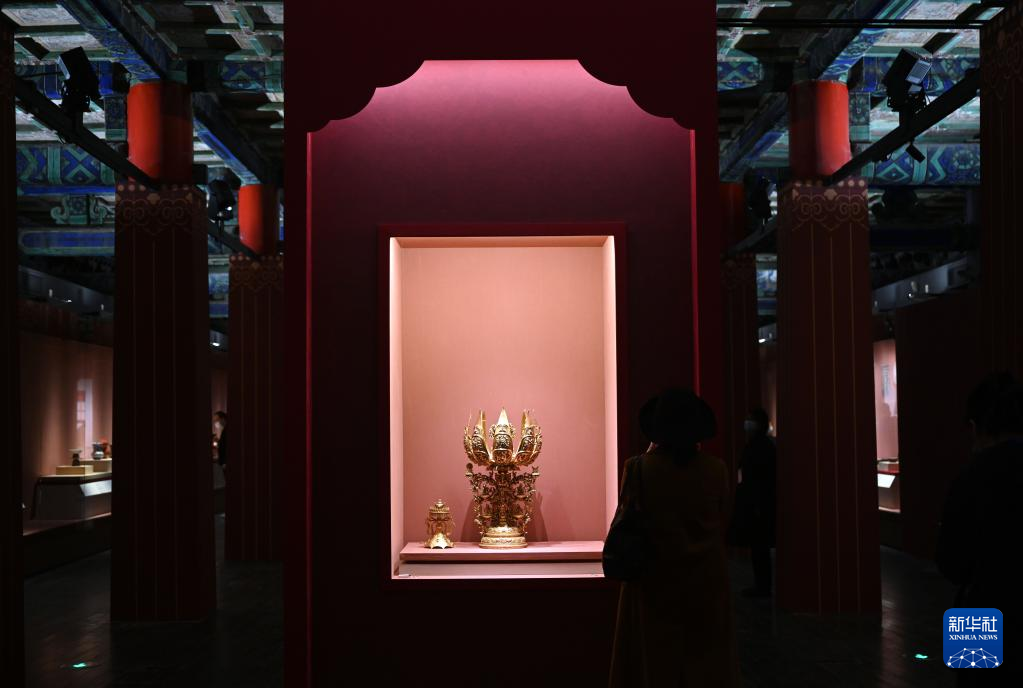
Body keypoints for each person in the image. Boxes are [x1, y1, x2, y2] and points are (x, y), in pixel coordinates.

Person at [609, 388, 739, 688]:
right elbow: (723, 518)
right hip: (706, 581)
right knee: (706, 663)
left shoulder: (639, 468)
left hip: (655, 581)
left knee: (654, 663)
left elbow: (628, 515)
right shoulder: (716, 469)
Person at [936, 373, 1023, 687]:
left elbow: (952, 564)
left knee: (975, 679)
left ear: (974, 428)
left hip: (979, 607)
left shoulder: (970, 478)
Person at [730, 408, 777, 597]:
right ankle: (761, 586)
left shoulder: (760, 447)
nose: (747, 423)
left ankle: (763, 587)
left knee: (760, 548)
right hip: (756, 502)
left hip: (758, 504)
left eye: (751, 420)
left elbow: (759, 478)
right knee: (758, 548)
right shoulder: (760, 445)